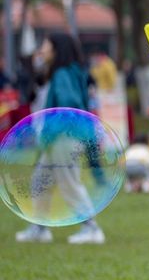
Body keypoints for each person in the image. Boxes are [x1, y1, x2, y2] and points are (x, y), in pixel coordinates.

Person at [15, 32, 106, 244]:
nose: (41, 50)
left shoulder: (63, 74)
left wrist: (52, 127)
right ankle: (39, 229)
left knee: (69, 183)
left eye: (45, 46)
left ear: (57, 50)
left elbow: (68, 103)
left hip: (64, 137)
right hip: (58, 138)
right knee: (41, 181)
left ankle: (92, 229)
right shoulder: (67, 72)